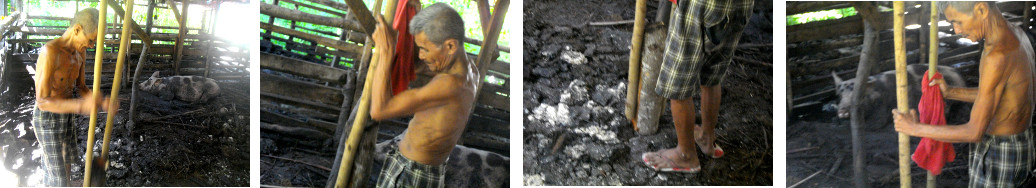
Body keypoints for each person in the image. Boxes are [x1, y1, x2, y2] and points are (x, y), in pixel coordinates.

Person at [893, 2, 1035, 187]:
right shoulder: (1016, 34)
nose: (956, 30)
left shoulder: (997, 55)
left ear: (982, 9)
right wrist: (951, 92)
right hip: (1020, 144)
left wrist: (914, 128)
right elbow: (1001, 95)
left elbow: (973, 132)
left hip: (1000, 152)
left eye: (957, 21)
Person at [368, 3, 478, 188]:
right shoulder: (471, 71)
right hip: (423, 170)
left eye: (425, 49)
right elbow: (421, 66)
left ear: (450, 45)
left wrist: (387, 52)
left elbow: (379, 111)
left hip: (412, 175)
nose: (420, 55)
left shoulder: (449, 84)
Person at [640, 0, 753, 173]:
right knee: (712, 74)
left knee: (677, 81)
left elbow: (677, 85)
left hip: (702, 5)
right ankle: (707, 138)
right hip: (741, 6)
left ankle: (685, 156)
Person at [32, 8, 115, 186]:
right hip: (47, 118)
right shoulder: (51, 52)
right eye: (91, 40)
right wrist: (79, 106)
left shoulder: (80, 53)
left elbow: (81, 87)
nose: (91, 45)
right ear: (77, 29)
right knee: (58, 175)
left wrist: (99, 100)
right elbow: (42, 102)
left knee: (66, 163)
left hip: (67, 114)